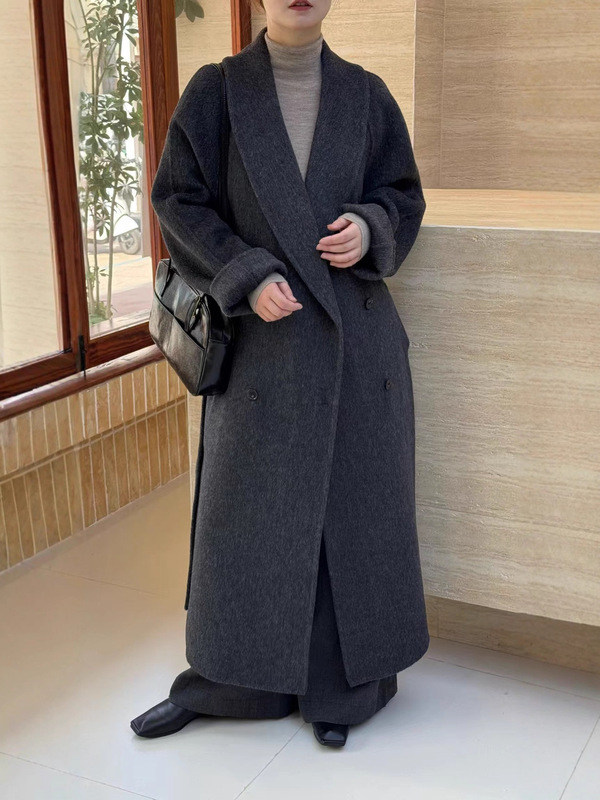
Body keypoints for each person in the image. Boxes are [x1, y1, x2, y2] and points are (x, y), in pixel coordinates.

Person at [131, 0, 429, 749]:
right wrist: (244, 272)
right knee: (249, 514)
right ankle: (230, 680)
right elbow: (178, 200)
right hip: (261, 341)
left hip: (356, 345)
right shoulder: (218, 91)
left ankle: (341, 689)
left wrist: (370, 226)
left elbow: (404, 195)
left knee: (349, 516)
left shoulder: (367, 95)